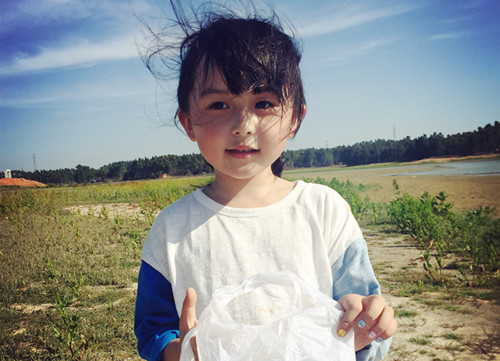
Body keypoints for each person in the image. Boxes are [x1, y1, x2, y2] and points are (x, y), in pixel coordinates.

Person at [134, 3, 397, 361]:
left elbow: (370, 329)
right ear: (188, 122)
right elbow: (152, 331)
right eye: (218, 105)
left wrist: (367, 324)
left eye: (263, 102)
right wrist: (178, 351)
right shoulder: (171, 229)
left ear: (295, 119)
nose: (243, 125)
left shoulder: (324, 211)